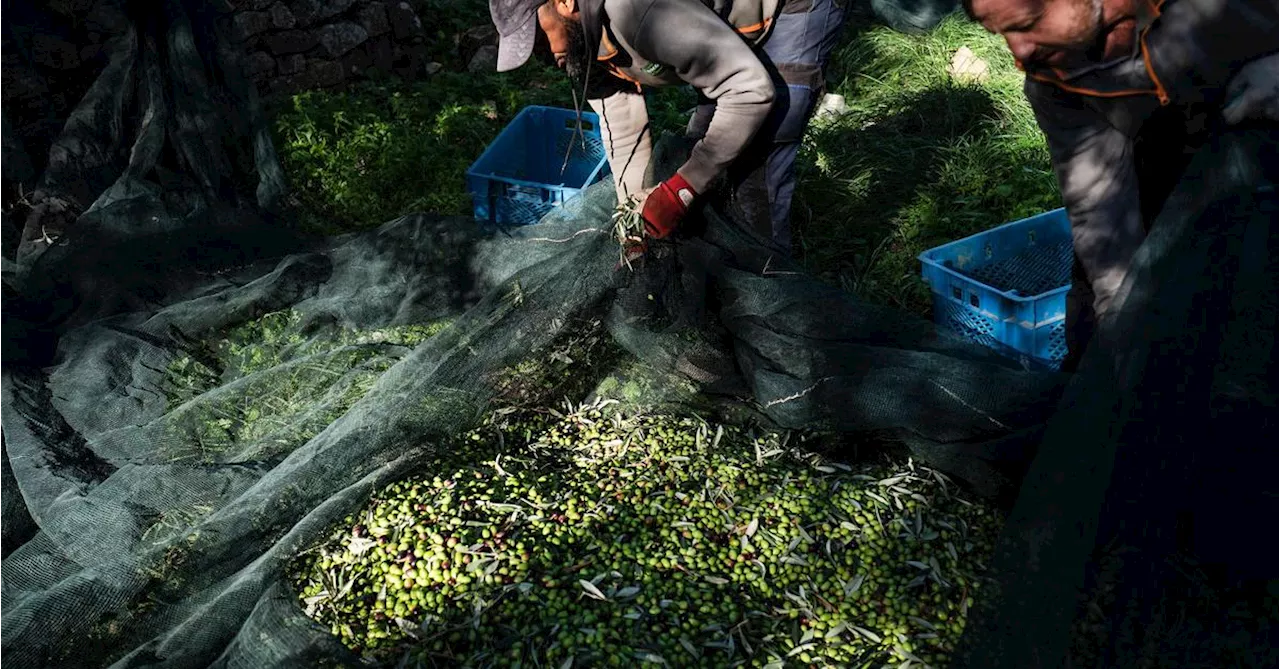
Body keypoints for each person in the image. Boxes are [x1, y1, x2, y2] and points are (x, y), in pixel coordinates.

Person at [961, 0, 1280, 371]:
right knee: (1103, 335)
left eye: (1029, 22)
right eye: (1000, 33)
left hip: (1264, 170)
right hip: (1167, 171)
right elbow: (1099, 208)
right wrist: (1122, 325)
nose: (1019, 50)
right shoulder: (1051, 75)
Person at [488, 0, 847, 258]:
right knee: (707, 144)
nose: (543, 56)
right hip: (718, 27)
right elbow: (623, 124)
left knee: (761, 154)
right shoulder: (580, 39)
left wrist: (681, 191)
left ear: (565, 3)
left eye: (537, 39)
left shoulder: (638, 11)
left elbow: (749, 91)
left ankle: (770, 290)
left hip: (790, 9)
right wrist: (634, 225)